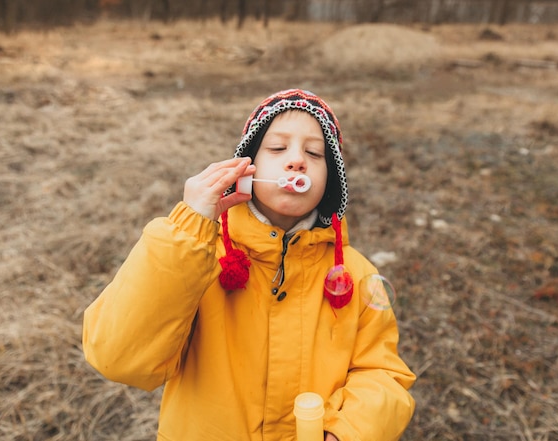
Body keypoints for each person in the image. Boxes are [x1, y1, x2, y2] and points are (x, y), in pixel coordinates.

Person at [82, 89, 416, 441]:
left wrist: (347, 432)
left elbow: (382, 372)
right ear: (245, 167)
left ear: (331, 182)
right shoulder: (196, 254)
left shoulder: (354, 273)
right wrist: (187, 226)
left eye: (314, 153)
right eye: (277, 148)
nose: (296, 161)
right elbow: (118, 359)